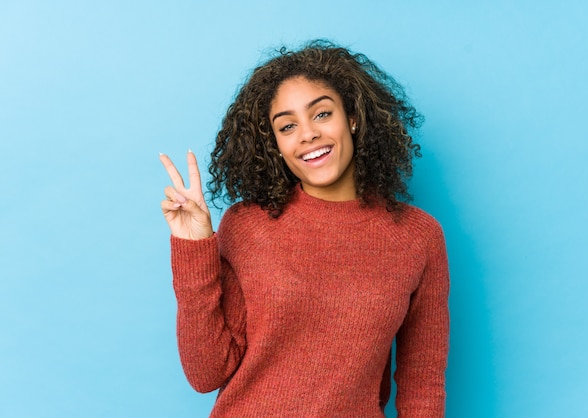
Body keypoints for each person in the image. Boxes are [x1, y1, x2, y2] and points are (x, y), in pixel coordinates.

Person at [159, 40, 450, 417]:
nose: (307, 134)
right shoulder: (248, 225)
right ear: (277, 145)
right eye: (288, 126)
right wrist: (193, 247)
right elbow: (205, 373)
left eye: (322, 114)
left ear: (353, 118)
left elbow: (422, 385)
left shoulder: (418, 237)